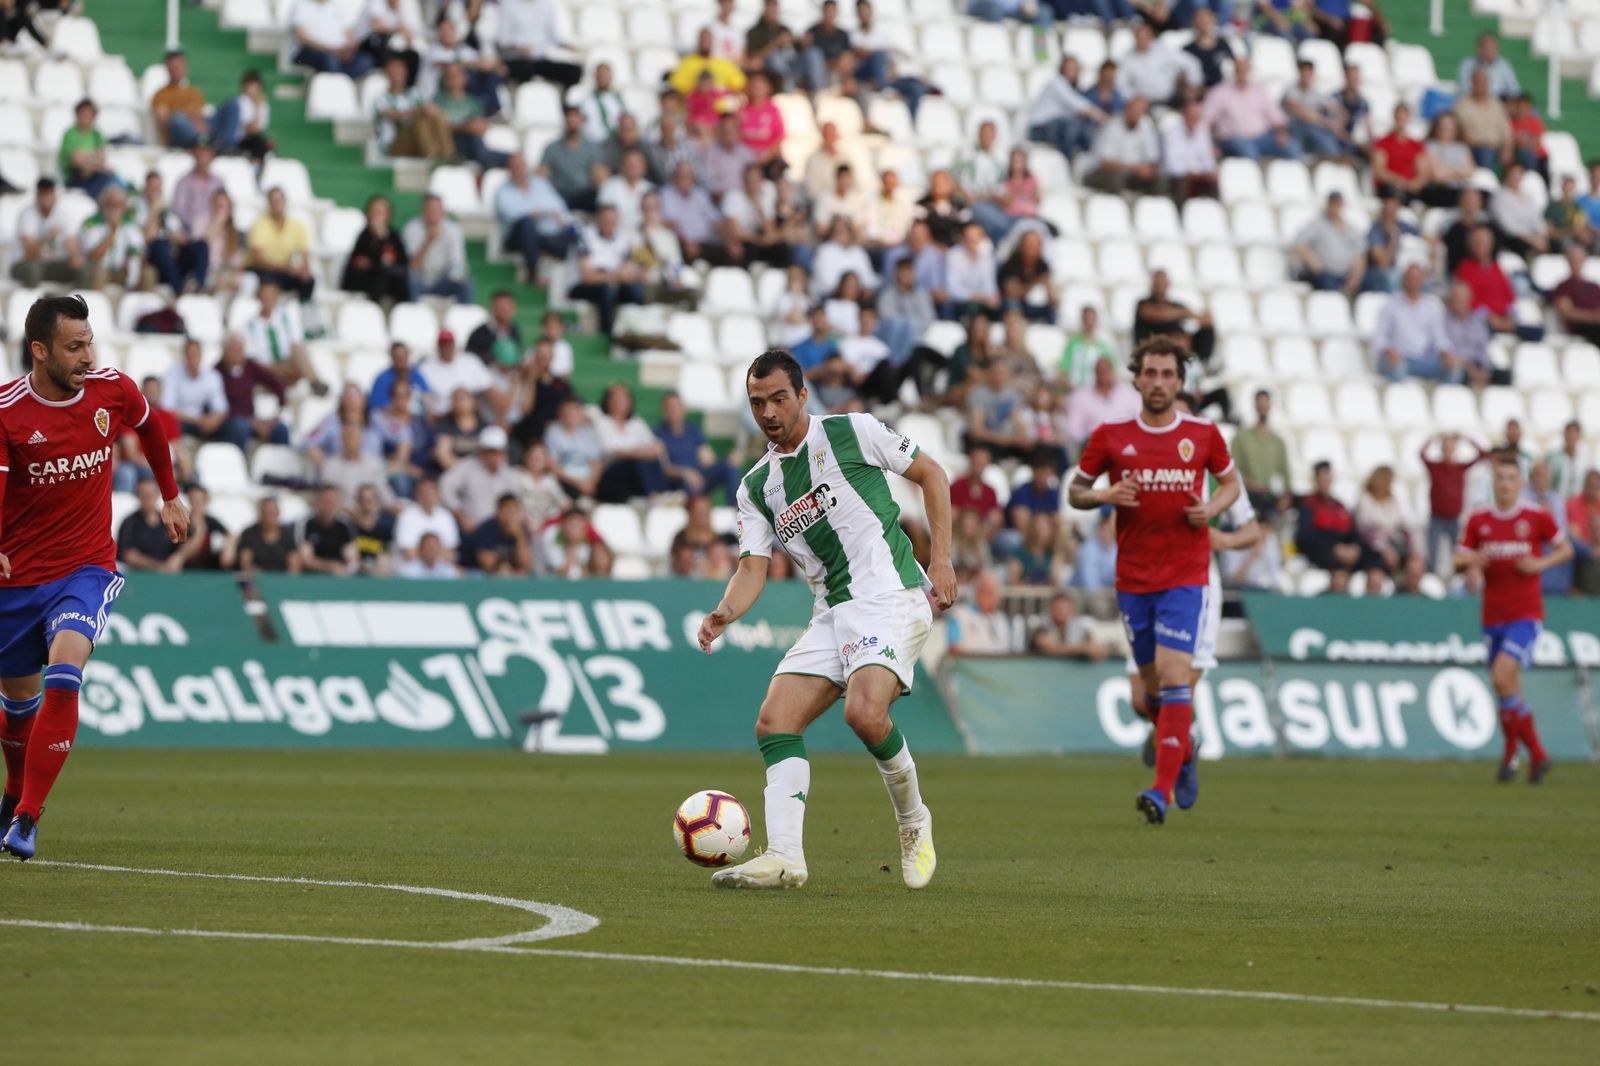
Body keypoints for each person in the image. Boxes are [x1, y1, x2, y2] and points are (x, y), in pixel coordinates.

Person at [696, 349, 955, 890]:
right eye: (756, 402)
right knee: (774, 722)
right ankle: (786, 856)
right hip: (832, 612)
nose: (767, 412)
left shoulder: (852, 432)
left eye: (778, 398)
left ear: (803, 394)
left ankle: (914, 821)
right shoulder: (756, 487)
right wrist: (727, 610)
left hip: (891, 596)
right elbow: (752, 568)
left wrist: (943, 559)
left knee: (863, 713)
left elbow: (932, 473)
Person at [0, 295, 189, 859]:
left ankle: (28, 817)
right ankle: (14, 792)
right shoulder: (8, 412)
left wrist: (171, 497)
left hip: (85, 567)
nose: (89, 356)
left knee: (64, 670)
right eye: (74, 346)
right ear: (40, 350)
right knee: (17, 706)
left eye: (90, 342)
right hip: (16, 577)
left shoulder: (114, 390)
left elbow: (152, 431)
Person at [1068, 336, 1242, 825]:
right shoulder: (1110, 434)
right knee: (1149, 698)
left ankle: (1160, 791)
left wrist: (1210, 508)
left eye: (1169, 374)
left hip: (1186, 578)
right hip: (1133, 580)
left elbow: (1231, 485)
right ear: (1137, 378)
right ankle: (1184, 748)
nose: (1160, 382)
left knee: (1173, 679)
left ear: (1180, 382)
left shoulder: (1204, 435)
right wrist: (1105, 494)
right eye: (1151, 373)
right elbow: (1074, 491)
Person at [1455, 457, 1572, 783]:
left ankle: (1535, 753)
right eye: (1499, 478)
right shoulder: (1479, 519)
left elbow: (1566, 550)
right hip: (1493, 615)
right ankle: (1515, 758)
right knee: (1507, 689)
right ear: (1493, 483)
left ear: (1519, 483)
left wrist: (1539, 564)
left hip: (1526, 614)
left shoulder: (1536, 516)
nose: (1505, 483)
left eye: (1510, 478)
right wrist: (1472, 562)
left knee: (1500, 676)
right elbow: (1458, 559)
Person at [495, 154, 574, 283]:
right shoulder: (502, 192)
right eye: (515, 166)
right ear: (509, 169)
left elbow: (560, 209)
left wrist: (555, 218)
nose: (519, 169)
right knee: (527, 224)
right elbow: (513, 216)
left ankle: (570, 278)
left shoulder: (541, 184)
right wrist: (544, 213)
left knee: (572, 229)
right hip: (517, 237)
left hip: (547, 235)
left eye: (521, 165)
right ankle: (533, 273)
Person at [570, 205, 644, 338]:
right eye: (606, 219)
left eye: (613, 220)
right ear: (598, 219)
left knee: (636, 291)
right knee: (607, 291)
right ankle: (606, 336)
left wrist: (617, 277)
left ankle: (635, 334)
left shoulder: (622, 238)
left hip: (612, 282)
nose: (609, 223)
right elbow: (587, 276)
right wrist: (613, 277)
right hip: (585, 287)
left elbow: (627, 271)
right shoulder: (586, 236)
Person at [1373, 263, 1456, 382]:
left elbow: (1440, 338)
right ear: (1404, 280)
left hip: (1423, 359)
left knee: (1453, 368)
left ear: (1423, 280)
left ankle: (1445, 399)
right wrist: (1389, 351)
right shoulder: (1391, 305)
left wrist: (1446, 353)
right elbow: (1379, 338)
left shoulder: (1432, 306)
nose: (1413, 282)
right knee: (1398, 368)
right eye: (1410, 278)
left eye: (1417, 278)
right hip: (1398, 358)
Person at [1202, 56, 1294, 161]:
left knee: (1291, 148)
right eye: (1239, 69)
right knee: (1248, 151)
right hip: (1233, 138)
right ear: (1234, 70)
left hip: (1261, 137)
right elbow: (1205, 121)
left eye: (1245, 70)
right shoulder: (1220, 92)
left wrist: (1281, 133)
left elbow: (1277, 116)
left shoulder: (1259, 91)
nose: (1242, 73)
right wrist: (1209, 145)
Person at [656, 391, 740, 501]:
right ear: (664, 411)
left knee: (729, 467)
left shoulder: (693, 431)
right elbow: (664, 468)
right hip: (678, 482)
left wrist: (727, 460)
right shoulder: (658, 435)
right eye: (670, 407)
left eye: (677, 406)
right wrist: (685, 473)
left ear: (683, 409)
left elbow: (708, 459)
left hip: (699, 474)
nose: (674, 410)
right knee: (692, 487)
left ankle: (736, 509)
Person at [1027, 54, 1106, 161]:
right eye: (1070, 69)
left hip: (1056, 128)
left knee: (1083, 126)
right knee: (1073, 125)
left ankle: (1091, 156)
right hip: (1040, 129)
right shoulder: (1057, 83)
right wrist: (1106, 119)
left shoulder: (1074, 88)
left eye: (1076, 69)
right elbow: (1081, 106)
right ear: (1062, 69)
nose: (1074, 72)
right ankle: (1067, 160)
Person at [11, 179, 88, 288]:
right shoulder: (27, 215)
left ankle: (74, 302)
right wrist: (46, 236)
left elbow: (72, 243)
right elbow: (29, 254)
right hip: (24, 264)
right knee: (33, 271)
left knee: (81, 269)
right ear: (37, 196)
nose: (45, 200)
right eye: (43, 195)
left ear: (55, 196)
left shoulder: (64, 214)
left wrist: (74, 256)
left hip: (52, 264)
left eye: (49, 194)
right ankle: (32, 303)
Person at [1290, 191, 1367, 294]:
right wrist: (1314, 264)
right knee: (1329, 285)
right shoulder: (1318, 224)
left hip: (1346, 275)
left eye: (1337, 204)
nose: (1335, 208)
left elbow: (1360, 255)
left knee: (1371, 281)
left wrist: (1356, 277)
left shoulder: (1351, 229)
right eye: (1332, 204)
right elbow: (1298, 244)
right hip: (1325, 274)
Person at [1083, 95, 1161, 195]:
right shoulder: (1112, 126)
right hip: (1099, 173)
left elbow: (1152, 159)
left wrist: (1149, 170)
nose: (1137, 113)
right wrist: (1135, 168)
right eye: (1135, 109)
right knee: (1116, 178)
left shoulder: (1146, 125)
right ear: (1126, 108)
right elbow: (1105, 163)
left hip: (1131, 174)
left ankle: (1153, 209)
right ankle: (1114, 209)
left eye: (1141, 110)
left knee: (1158, 179)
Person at [247, 187, 316, 301]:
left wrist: (304, 271)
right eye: (274, 201)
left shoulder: (297, 226)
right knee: (268, 280)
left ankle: (302, 310)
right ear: (268, 204)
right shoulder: (259, 224)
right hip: (262, 269)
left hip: (283, 271)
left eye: (280, 200)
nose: (277, 204)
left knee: (308, 281)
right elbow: (259, 259)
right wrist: (286, 268)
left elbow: (305, 253)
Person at [341, 193, 411, 304]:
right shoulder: (364, 236)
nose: (376, 216)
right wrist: (379, 242)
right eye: (374, 212)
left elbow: (403, 262)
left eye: (380, 213)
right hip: (366, 282)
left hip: (391, 282)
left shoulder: (394, 236)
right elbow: (360, 263)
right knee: (379, 275)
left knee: (402, 278)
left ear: (388, 215)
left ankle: (405, 311)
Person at [403, 195, 473, 304]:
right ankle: (414, 316)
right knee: (411, 281)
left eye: (436, 209)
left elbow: (458, 262)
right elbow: (414, 265)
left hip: (443, 281)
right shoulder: (412, 228)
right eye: (430, 209)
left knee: (466, 284)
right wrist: (428, 241)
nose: (433, 213)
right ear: (423, 210)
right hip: (419, 281)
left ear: (443, 211)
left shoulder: (453, 230)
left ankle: (462, 318)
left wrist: (456, 277)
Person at [497, 0, 582, 90]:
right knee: (525, 69)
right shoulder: (508, 5)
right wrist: (519, 49)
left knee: (574, 71)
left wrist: (568, 46)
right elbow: (503, 41)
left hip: (540, 60)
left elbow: (554, 36)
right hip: (517, 60)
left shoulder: (546, 5)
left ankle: (563, 101)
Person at [1161, 96, 1220, 203]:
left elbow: (1207, 160)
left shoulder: (1203, 132)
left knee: (1213, 182)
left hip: (1198, 176)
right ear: (1184, 115)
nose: (1193, 119)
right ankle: (1181, 215)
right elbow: (1172, 165)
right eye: (1191, 116)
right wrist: (1193, 174)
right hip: (1177, 177)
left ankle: (1213, 213)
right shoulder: (1171, 134)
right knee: (1182, 183)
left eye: (1196, 116)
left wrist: (1209, 172)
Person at [292, 0, 374, 77]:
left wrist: (349, 50)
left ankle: (338, 77)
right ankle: (337, 78)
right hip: (314, 51)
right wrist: (331, 50)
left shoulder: (336, 7)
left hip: (339, 53)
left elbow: (350, 35)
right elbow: (302, 38)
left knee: (365, 60)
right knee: (330, 60)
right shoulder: (303, 6)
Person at [946, 572, 1016, 656]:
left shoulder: (1002, 619)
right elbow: (954, 648)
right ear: (978, 592)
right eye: (989, 593)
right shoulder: (959, 615)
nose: (995, 597)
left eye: (995, 593)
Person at [295, 485, 359, 575]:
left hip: (339, 573)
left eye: (332, 502)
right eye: (326, 501)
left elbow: (352, 557)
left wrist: (347, 570)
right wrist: (330, 567)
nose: (329, 506)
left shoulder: (346, 524)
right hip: (312, 573)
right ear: (317, 502)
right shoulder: (306, 523)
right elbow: (306, 559)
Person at [150, 49, 208, 148]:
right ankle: (202, 141)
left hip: (195, 129)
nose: (176, 69)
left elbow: (199, 116)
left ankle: (204, 141)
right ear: (167, 68)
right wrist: (186, 114)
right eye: (173, 66)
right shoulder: (160, 94)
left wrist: (177, 112)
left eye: (179, 66)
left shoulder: (194, 92)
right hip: (176, 138)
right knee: (178, 119)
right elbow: (164, 122)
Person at [58, 99, 112, 200]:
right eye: (83, 113)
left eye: (89, 114)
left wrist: (87, 159)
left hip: (94, 176)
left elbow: (102, 157)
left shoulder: (97, 134)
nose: (85, 117)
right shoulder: (70, 134)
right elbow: (77, 161)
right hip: (75, 177)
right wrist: (97, 162)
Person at [1029, 593, 1109, 660]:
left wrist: (1096, 650)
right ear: (1050, 609)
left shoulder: (1080, 628)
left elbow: (1095, 647)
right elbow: (1050, 648)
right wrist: (1083, 649)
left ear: (1072, 610)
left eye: (1065, 608)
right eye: (1058, 608)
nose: (1061, 611)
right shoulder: (1041, 626)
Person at [1550, 242, 1600, 346]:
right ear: (1568, 261)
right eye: (1573, 260)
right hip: (1582, 328)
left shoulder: (1594, 286)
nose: (1576, 263)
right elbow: (1567, 313)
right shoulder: (1563, 287)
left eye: (1578, 260)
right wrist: (1593, 317)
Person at [236, 496, 301, 573]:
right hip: (258, 579)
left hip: (281, 578)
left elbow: (294, 561)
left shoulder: (287, 534)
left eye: (271, 513)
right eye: (265, 513)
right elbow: (245, 562)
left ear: (278, 513)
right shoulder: (249, 533)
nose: (268, 518)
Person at [1457, 32, 1520, 101]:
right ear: (1479, 48)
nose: (1488, 51)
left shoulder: (1504, 64)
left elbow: (1514, 88)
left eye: (1491, 48)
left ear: (1497, 49)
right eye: (1486, 48)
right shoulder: (1468, 64)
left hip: (1500, 103)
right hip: (1475, 101)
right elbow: (1465, 88)